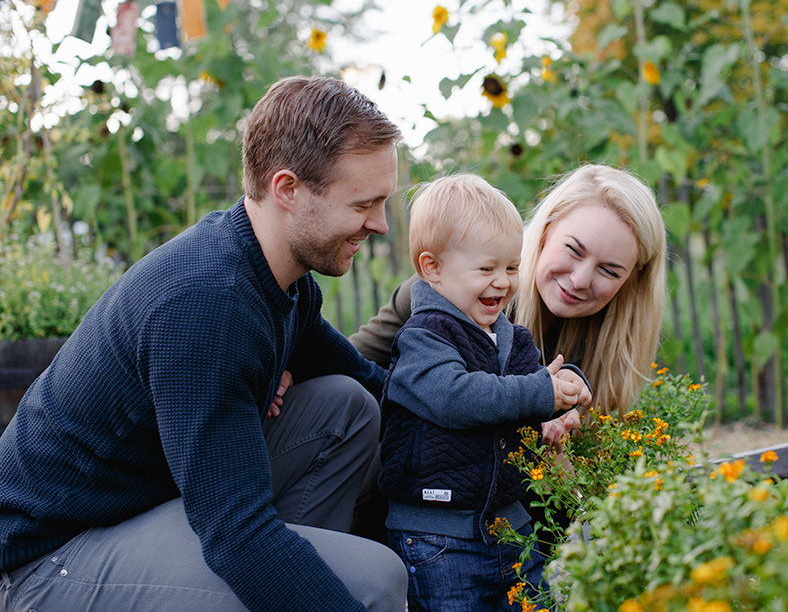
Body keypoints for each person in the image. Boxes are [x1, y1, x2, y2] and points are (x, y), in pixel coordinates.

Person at [0, 76, 408, 612]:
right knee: (375, 581)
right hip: (47, 556)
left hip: (148, 505)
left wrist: (500, 417)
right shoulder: (208, 304)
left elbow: (366, 381)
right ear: (287, 189)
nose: (379, 224)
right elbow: (237, 535)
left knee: (347, 409)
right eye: (364, 204)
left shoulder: (281, 279)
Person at [378, 174, 591, 611]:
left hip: (508, 522)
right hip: (438, 534)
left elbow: (534, 383)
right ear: (432, 267)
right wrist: (539, 394)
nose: (503, 282)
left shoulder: (510, 336)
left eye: (511, 267)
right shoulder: (424, 338)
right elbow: (460, 398)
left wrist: (566, 390)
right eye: (486, 268)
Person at [352, 163, 667, 428]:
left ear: (630, 282)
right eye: (573, 249)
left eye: (609, 271)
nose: (580, 280)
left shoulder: (605, 345)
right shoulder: (447, 293)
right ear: (546, 230)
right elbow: (350, 368)